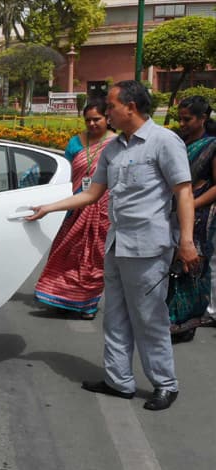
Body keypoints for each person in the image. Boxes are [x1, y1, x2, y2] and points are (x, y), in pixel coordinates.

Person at [26, 80, 197, 412]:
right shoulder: (115, 148)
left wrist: (187, 242)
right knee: (115, 316)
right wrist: (49, 207)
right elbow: (92, 193)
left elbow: (184, 192)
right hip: (116, 245)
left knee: (149, 318)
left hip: (149, 247)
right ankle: (119, 381)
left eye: (112, 106)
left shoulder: (164, 142)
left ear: (130, 107)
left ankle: (165, 383)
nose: (107, 112)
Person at [34, 98, 115, 319]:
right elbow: (64, 172)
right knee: (67, 253)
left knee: (93, 258)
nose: (91, 124)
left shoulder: (116, 144)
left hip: (103, 211)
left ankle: (88, 304)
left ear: (107, 118)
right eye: (87, 120)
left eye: (96, 119)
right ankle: (62, 298)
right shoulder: (75, 142)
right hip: (75, 206)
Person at [167, 95, 216, 341]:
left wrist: (191, 205)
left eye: (187, 119)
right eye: (180, 119)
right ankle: (169, 319)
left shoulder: (212, 145)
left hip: (199, 214)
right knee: (171, 264)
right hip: (173, 211)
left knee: (192, 267)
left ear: (203, 118)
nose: (182, 123)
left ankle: (185, 324)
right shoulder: (178, 142)